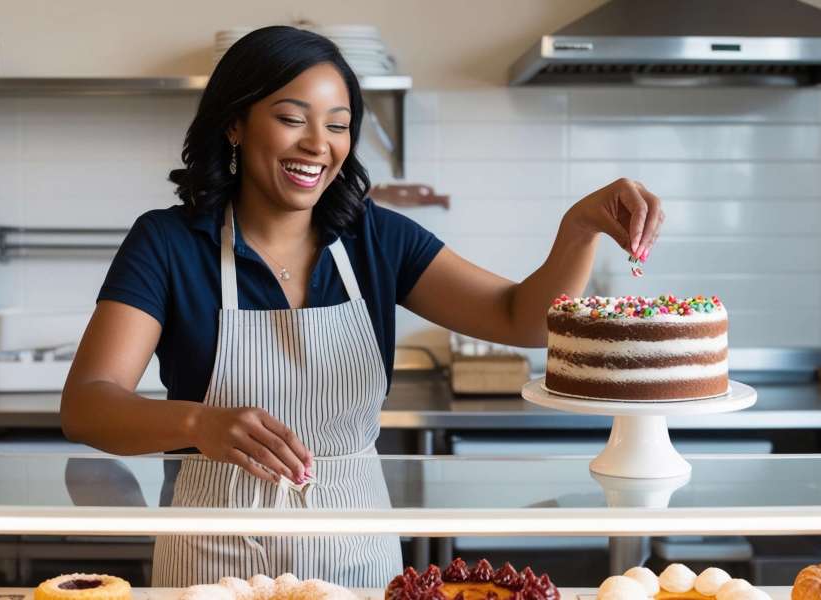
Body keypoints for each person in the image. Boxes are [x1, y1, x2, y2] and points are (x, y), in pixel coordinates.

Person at [60, 26, 663, 587]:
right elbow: (88, 403)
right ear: (235, 124)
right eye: (291, 118)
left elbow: (521, 318)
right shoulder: (168, 243)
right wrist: (198, 424)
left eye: (339, 124)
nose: (318, 145)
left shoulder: (376, 239)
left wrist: (579, 228)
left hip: (356, 557)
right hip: (211, 569)